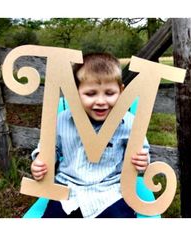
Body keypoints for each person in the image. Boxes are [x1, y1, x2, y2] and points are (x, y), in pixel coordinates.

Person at [30, 52, 150, 218]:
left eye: (109, 93)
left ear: (121, 91)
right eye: (91, 94)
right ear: (75, 92)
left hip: (111, 191)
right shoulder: (62, 120)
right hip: (68, 190)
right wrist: (39, 162)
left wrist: (142, 161)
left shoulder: (129, 123)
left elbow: (141, 151)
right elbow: (48, 149)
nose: (101, 101)